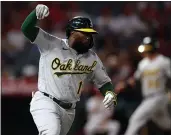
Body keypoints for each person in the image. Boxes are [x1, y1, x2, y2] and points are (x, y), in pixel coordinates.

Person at [21, 4, 117, 135]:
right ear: (72, 33)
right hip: (46, 101)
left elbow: (104, 82)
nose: (88, 37)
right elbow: (27, 29)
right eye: (84, 34)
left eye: (90, 34)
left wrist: (110, 93)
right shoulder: (52, 43)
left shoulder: (91, 57)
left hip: (69, 110)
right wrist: (35, 13)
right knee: (51, 132)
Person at [116, 36, 171, 135]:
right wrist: (124, 85)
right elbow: (135, 79)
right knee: (165, 123)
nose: (145, 50)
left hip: (158, 96)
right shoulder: (143, 63)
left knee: (135, 119)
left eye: (147, 48)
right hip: (149, 97)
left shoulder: (163, 61)